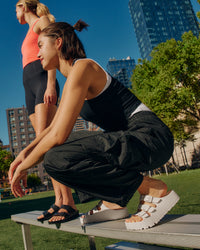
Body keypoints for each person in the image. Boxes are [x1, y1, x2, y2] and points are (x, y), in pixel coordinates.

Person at [9, 20, 180, 230]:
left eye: (41, 45)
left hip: (151, 137)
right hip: (131, 142)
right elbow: (51, 131)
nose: (38, 54)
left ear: (58, 43)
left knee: (56, 156)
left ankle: (153, 189)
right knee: (57, 153)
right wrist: (23, 155)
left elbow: (58, 136)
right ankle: (114, 201)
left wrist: (25, 167)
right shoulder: (74, 78)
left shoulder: (83, 67)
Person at [15, 0, 79, 224]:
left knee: (48, 141)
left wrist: (51, 83)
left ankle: (68, 202)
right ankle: (58, 200)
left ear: (24, 6)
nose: (16, 13)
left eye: (16, 8)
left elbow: (53, 48)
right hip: (28, 84)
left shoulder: (42, 22)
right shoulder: (27, 32)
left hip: (42, 80)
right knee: (43, 144)